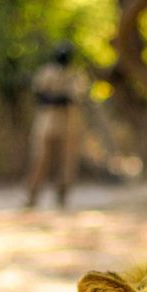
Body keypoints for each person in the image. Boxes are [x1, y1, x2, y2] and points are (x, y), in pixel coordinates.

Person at [25, 42, 87, 209]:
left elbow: (76, 97)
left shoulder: (76, 75)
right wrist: (59, 97)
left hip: (69, 123)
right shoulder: (46, 72)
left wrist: (56, 97)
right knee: (40, 158)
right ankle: (32, 195)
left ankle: (62, 198)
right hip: (47, 122)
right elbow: (39, 95)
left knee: (67, 162)